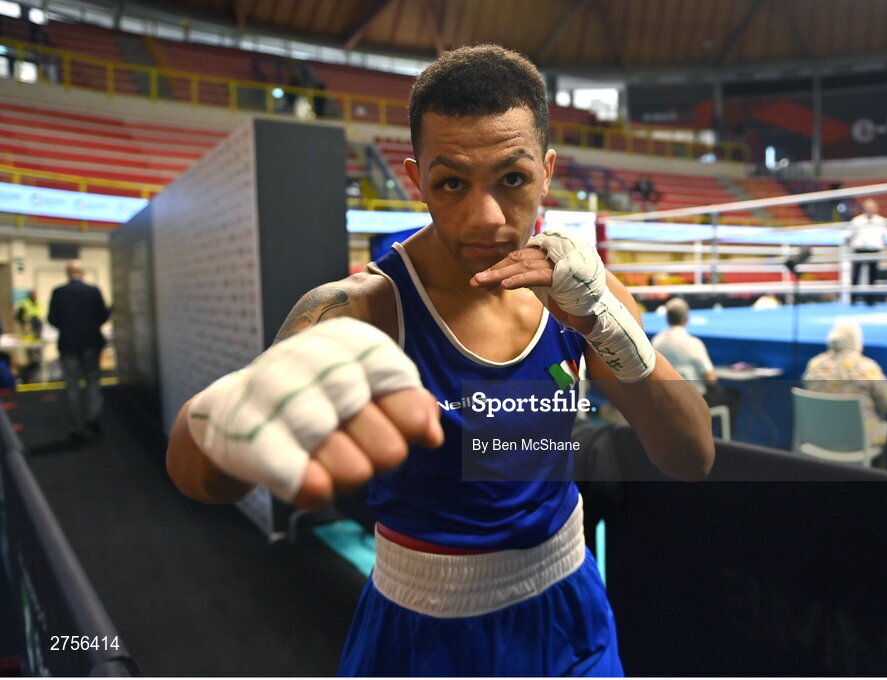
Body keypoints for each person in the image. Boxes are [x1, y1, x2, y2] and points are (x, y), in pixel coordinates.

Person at [166, 44, 713, 677]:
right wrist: (235, 415)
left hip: (571, 616)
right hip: (422, 637)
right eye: (452, 182)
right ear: (414, 178)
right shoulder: (361, 310)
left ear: (548, 171)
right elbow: (195, 477)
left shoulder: (586, 294)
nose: (485, 218)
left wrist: (607, 325)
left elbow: (691, 455)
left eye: (512, 179)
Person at [802, 320, 887, 446]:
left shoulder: (814, 365)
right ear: (857, 340)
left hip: (820, 438)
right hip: (860, 441)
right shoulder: (867, 367)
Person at [653, 298, 739, 430]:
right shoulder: (693, 343)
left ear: (667, 318)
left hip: (665, 398)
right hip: (694, 398)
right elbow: (710, 379)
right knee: (733, 395)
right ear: (686, 319)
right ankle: (722, 440)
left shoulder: (656, 342)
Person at [48, 260, 110, 439]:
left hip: (68, 345)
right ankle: (93, 419)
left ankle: (77, 426)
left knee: (72, 386)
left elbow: (52, 319)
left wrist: (67, 327)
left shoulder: (58, 293)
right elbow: (102, 316)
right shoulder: (93, 291)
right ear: (82, 273)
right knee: (93, 383)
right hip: (91, 343)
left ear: (67, 273)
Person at [845, 197, 887, 306]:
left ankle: (871, 301)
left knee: (872, 276)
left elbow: (885, 235)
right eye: (868, 207)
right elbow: (848, 235)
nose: (870, 209)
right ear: (864, 208)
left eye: (872, 207)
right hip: (859, 249)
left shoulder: (881, 221)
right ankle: (853, 300)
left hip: (874, 250)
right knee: (855, 275)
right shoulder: (857, 221)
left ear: (876, 208)